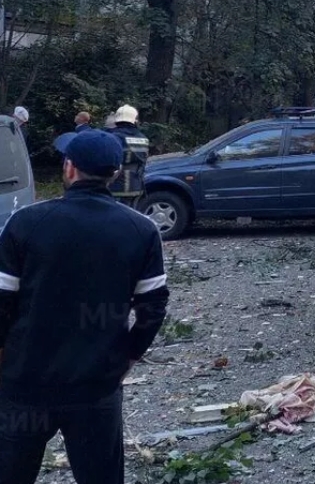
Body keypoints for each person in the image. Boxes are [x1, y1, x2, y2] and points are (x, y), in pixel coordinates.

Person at [0, 129, 169, 483]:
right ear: (114, 174)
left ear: (69, 168)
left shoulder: (26, 223)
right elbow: (152, 307)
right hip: (96, 387)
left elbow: (2, 302)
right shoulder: (140, 229)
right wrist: (129, 355)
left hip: (26, 385)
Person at [107, 105, 150, 206]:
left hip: (115, 186)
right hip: (136, 185)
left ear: (117, 120)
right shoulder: (143, 138)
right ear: (134, 120)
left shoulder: (113, 137)